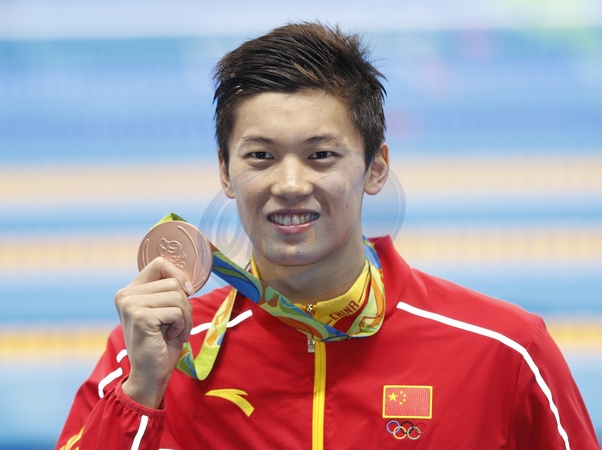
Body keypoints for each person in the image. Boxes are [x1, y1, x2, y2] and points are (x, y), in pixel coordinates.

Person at [57, 22, 600, 449]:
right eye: (261, 156)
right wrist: (143, 392)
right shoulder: (153, 351)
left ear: (375, 168)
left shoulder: (502, 349)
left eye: (321, 155)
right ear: (226, 171)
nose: (290, 185)